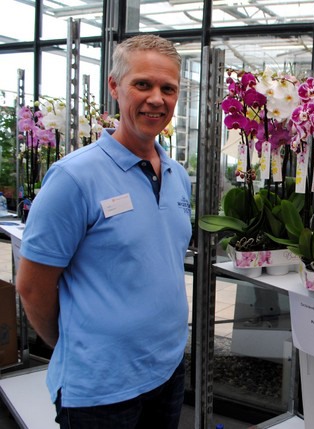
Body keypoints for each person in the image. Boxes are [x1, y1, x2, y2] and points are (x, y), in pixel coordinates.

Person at [16, 34, 192, 429]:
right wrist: (76, 346)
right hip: (100, 387)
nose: (156, 99)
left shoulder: (178, 176)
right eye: (142, 84)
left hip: (166, 371)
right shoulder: (74, 178)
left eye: (168, 89)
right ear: (115, 86)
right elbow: (32, 286)